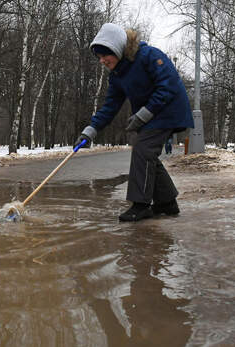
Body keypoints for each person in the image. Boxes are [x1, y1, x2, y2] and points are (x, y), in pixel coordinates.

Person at [75, 23, 193, 222]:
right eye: (99, 57)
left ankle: (141, 205)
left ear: (117, 48)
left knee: (143, 150)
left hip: (170, 109)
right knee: (147, 155)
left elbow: (169, 85)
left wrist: (144, 114)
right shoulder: (118, 74)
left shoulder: (148, 56)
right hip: (152, 114)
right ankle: (167, 203)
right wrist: (91, 130)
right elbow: (110, 106)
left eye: (106, 54)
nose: (102, 60)